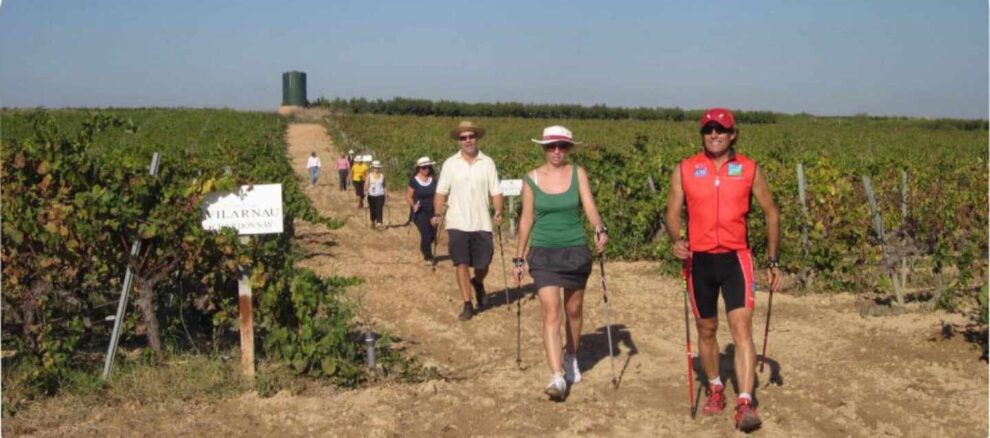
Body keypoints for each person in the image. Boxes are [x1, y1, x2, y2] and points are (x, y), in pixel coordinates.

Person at [665, 108, 782, 432]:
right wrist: (677, 240)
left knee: (740, 327)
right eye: (708, 130)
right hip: (699, 260)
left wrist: (772, 260)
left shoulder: (749, 169)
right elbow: (672, 212)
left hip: (736, 258)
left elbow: (772, 213)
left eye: (721, 130)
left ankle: (745, 402)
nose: (714, 135)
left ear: (733, 134)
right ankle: (716, 387)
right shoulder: (686, 169)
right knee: (706, 329)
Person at [513, 126, 607, 401]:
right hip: (543, 253)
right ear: (543, 147)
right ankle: (556, 377)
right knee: (551, 310)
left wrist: (599, 228)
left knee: (573, 309)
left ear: (568, 149)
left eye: (562, 147)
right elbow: (526, 218)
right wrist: (519, 256)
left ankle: (571, 356)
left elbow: (589, 205)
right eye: (551, 146)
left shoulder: (578, 174)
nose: (556, 151)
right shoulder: (531, 179)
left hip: (575, 249)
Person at [432, 121, 504, 321]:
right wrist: (438, 213)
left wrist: (498, 210)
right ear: (459, 141)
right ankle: (467, 303)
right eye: (463, 138)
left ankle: (478, 282)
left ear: (476, 138)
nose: (468, 140)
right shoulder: (450, 164)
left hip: (482, 222)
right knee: (461, 263)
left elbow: (496, 192)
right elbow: (440, 193)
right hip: (457, 222)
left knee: (483, 263)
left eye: (471, 136)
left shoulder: (488, 163)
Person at [406, 156, 438, 263]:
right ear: (419, 168)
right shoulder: (414, 180)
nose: (426, 169)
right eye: (424, 167)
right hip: (419, 211)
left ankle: (424, 248)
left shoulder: (433, 180)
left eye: (428, 167)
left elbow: (437, 195)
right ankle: (428, 257)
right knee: (426, 233)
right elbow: (408, 196)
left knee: (433, 235)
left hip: (432, 210)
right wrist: (413, 205)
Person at [366, 160, 387, 228]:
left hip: (380, 195)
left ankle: (379, 222)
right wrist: (365, 193)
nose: (377, 169)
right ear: (373, 168)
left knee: (379, 209)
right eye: (375, 167)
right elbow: (366, 184)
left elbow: (384, 186)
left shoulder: (382, 176)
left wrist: (386, 194)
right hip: (371, 195)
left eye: (378, 168)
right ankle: (372, 221)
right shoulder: (369, 175)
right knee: (372, 209)